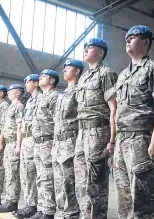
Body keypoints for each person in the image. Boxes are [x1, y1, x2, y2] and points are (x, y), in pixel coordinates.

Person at [112, 25, 154, 218]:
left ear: (145, 41)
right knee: (123, 196)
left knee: (141, 198)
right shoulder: (122, 75)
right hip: (122, 140)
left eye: (133, 37)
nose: (127, 40)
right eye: (126, 37)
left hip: (140, 139)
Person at [75, 38, 118, 219]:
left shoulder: (106, 73)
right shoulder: (84, 77)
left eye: (90, 47)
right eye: (85, 47)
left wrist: (112, 139)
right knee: (81, 179)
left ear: (100, 53)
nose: (85, 50)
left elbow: (114, 107)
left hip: (97, 132)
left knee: (96, 181)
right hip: (82, 132)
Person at [52, 59, 84, 219]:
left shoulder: (80, 90)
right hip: (58, 143)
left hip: (70, 142)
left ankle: (71, 213)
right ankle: (62, 212)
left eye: (68, 68)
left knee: (69, 180)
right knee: (58, 180)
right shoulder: (63, 93)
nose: (64, 70)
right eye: (64, 68)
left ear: (77, 71)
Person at [31, 69, 60, 219]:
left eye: (44, 77)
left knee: (48, 176)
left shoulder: (55, 97)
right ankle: (41, 208)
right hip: (37, 142)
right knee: (40, 176)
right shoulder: (40, 98)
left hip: (48, 141)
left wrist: (56, 143)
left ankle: (48, 211)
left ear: (52, 80)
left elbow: (58, 122)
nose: (40, 78)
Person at [13, 74, 41, 219]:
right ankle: (30, 204)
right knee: (26, 175)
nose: (26, 85)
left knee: (36, 175)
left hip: (36, 141)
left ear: (36, 83)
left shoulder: (41, 98)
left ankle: (36, 205)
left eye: (28, 82)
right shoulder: (30, 101)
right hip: (27, 141)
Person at [0, 84, 25, 213]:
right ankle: (8, 200)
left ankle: (12, 201)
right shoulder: (10, 108)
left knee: (13, 174)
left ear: (18, 93)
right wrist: (1, 142)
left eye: (11, 91)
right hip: (8, 143)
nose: (8, 93)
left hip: (14, 143)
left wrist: (19, 145)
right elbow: (4, 128)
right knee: (8, 173)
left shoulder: (19, 106)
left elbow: (20, 127)